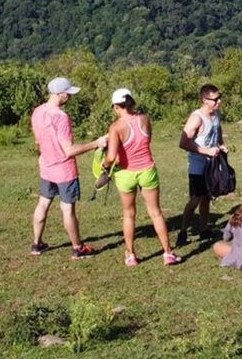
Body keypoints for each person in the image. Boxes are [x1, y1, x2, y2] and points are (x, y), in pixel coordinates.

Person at [99, 88, 182, 266]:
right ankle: (168, 253)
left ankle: (130, 255)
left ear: (115, 107)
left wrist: (103, 166)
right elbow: (147, 140)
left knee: (129, 214)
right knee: (156, 212)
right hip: (147, 170)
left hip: (125, 174)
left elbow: (111, 157)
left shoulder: (116, 127)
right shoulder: (144, 119)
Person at [30, 76, 106, 259]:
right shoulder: (61, 117)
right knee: (67, 209)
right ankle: (77, 248)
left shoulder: (38, 112)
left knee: (43, 203)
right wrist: (96, 143)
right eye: (68, 93)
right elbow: (69, 150)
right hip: (64, 170)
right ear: (59, 94)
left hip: (46, 166)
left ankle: (36, 244)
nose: (70, 97)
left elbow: (37, 141)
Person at [177, 83, 226, 246]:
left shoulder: (216, 113)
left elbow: (217, 131)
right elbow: (183, 143)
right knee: (195, 200)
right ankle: (183, 233)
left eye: (220, 97)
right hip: (198, 165)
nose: (219, 101)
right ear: (205, 100)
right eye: (215, 99)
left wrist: (221, 145)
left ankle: (204, 230)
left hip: (212, 164)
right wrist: (206, 151)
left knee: (207, 197)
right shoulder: (197, 117)